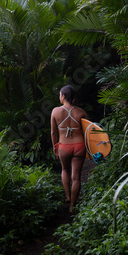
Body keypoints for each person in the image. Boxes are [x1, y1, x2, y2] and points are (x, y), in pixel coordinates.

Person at [50, 85, 88, 213]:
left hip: (64, 146)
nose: (59, 97)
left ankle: (67, 196)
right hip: (79, 146)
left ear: (63, 96)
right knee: (76, 178)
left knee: (65, 169)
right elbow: (89, 132)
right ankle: (72, 206)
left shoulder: (55, 111)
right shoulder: (81, 112)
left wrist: (55, 146)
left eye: (60, 94)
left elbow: (53, 132)